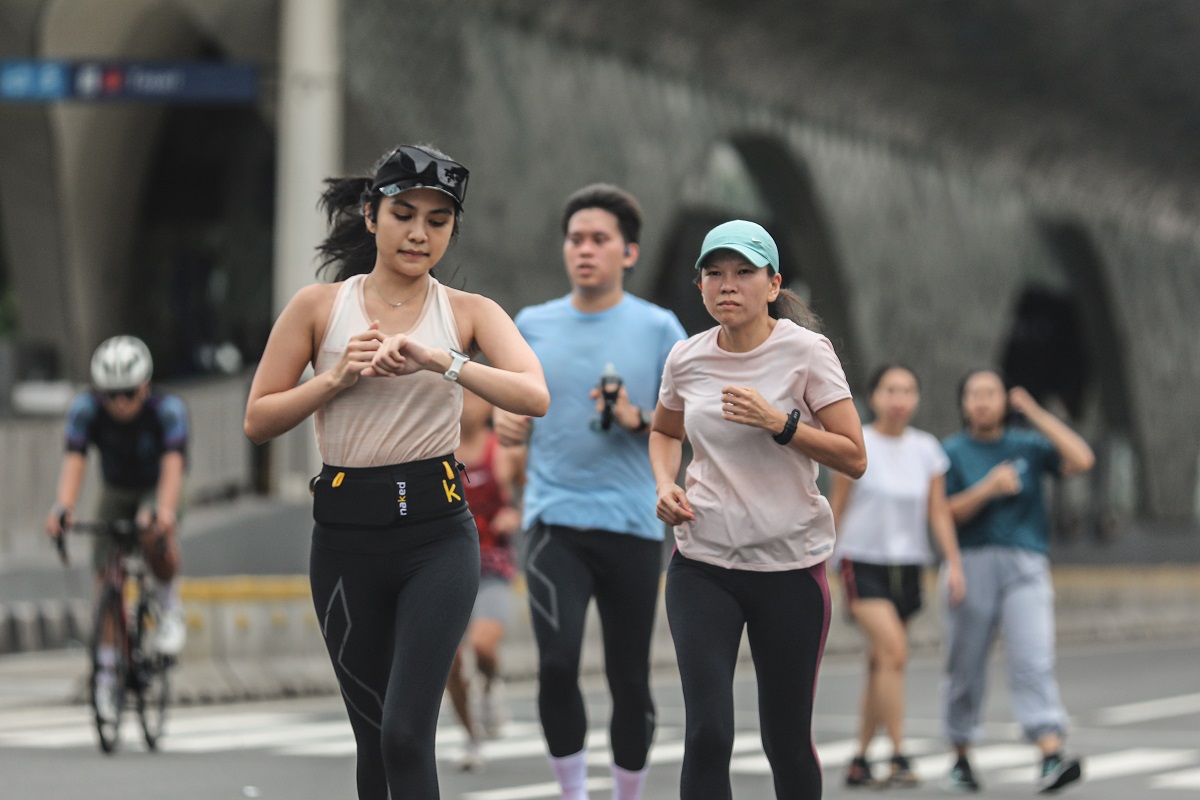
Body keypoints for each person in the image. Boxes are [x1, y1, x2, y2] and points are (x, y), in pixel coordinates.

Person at [243, 144, 548, 800]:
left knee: (408, 734)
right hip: (345, 540)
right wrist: (336, 378)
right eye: (404, 213)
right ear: (370, 214)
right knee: (374, 738)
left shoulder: (468, 313)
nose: (419, 233)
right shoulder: (319, 307)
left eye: (438, 221)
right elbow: (259, 419)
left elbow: (534, 395)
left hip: (436, 538)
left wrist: (444, 362)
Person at [651, 220, 867, 800]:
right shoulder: (686, 358)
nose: (728, 285)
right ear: (699, 286)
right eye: (714, 274)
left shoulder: (805, 351)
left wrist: (782, 424)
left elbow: (854, 457)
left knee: (786, 740)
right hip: (703, 565)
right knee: (707, 733)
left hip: (790, 570)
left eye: (744, 272)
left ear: (772, 285)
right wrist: (664, 483)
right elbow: (663, 430)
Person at [493, 184, 686, 800]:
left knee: (629, 677)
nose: (585, 250)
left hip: (631, 524)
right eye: (575, 239)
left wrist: (638, 418)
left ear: (628, 253)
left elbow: (694, 420)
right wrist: (507, 426)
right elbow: (507, 411)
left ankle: (627, 794)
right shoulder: (532, 324)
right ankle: (573, 793)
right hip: (554, 521)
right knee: (555, 665)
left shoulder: (660, 328)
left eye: (600, 240)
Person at [941, 369, 1094, 795]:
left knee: (1033, 658)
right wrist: (987, 489)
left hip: (1026, 565)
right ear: (964, 402)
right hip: (970, 564)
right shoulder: (951, 451)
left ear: (1005, 401)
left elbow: (1081, 459)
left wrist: (1036, 413)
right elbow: (943, 513)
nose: (983, 402)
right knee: (964, 667)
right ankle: (960, 757)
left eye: (991, 394)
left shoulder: (1027, 444)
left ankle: (1050, 753)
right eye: (974, 394)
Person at [829, 364, 966, 788]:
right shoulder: (857, 441)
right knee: (894, 652)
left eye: (908, 390)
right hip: (860, 560)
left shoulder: (927, 449)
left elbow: (937, 511)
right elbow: (838, 505)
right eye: (890, 390)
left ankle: (859, 758)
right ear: (873, 397)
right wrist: (820, 561)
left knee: (881, 661)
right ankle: (899, 753)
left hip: (909, 564)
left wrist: (954, 562)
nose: (899, 399)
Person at [44, 335, 189, 719]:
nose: (120, 403)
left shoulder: (168, 409)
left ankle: (169, 606)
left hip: (156, 486)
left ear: (145, 386)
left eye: (128, 393)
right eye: (111, 395)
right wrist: (64, 507)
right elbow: (75, 460)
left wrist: (165, 513)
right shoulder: (85, 409)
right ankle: (107, 675)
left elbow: (174, 464)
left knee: (149, 525)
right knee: (106, 577)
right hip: (115, 489)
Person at [445, 388, 524, 772]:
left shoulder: (504, 452)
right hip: (444, 565)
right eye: (461, 397)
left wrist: (515, 513)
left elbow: (533, 489)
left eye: (476, 398)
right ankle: (470, 735)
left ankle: (491, 686)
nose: (468, 406)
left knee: (484, 645)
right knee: (449, 663)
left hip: (491, 564)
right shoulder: (435, 452)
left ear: (490, 404)